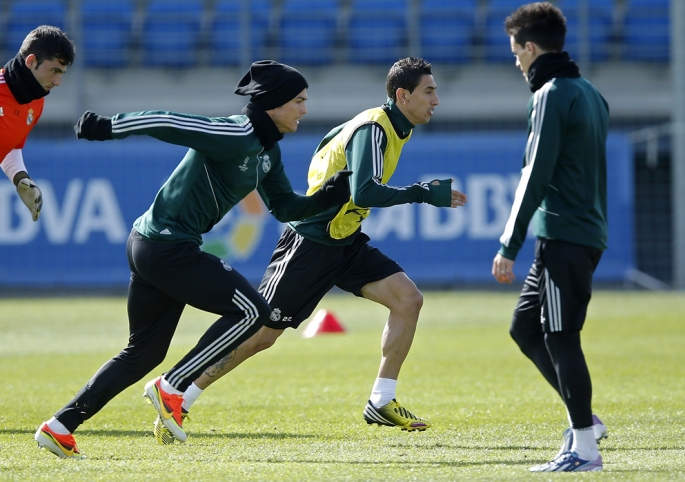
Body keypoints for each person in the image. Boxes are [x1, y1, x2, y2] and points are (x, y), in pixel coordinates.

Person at [34, 60, 352, 459]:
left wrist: (327, 197)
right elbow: (167, 121)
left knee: (144, 352)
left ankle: (59, 426)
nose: (305, 109)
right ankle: (171, 386)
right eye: (299, 101)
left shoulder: (268, 153)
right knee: (253, 311)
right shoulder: (237, 132)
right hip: (166, 247)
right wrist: (109, 127)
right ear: (273, 104)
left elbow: (286, 206)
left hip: (155, 246)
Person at [150, 56, 467, 445]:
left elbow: (330, 150)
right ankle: (179, 395)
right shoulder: (374, 128)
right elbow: (363, 191)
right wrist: (423, 193)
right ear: (403, 96)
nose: (436, 100)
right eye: (429, 91)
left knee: (408, 299)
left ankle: (381, 400)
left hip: (344, 239)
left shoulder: (391, 127)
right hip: (310, 244)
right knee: (260, 334)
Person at [492, 2, 609, 473]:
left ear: (531, 48)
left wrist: (509, 244)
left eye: (516, 53)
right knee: (525, 327)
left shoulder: (551, 95)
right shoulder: (591, 93)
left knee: (561, 336)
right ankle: (587, 423)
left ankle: (585, 449)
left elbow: (534, 175)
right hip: (579, 233)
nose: (516, 62)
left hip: (564, 235)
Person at [1, 25, 75, 222]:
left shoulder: (36, 103)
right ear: (31, 61)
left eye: (62, 73)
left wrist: (20, 178)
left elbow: (9, 146)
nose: (58, 81)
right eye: (54, 71)